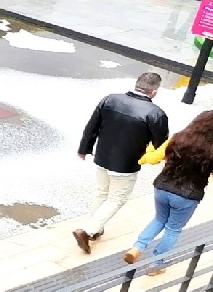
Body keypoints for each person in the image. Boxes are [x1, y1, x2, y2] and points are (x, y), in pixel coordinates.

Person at [124, 110, 213, 275]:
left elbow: (154, 158)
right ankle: (156, 264)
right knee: (173, 229)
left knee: (159, 219)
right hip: (187, 197)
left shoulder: (178, 139)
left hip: (162, 188)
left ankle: (137, 248)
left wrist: (144, 156)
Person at [73, 72, 170, 254]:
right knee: (116, 198)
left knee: (102, 193)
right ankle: (87, 231)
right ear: (154, 92)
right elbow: (161, 144)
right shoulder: (156, 114)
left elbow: (91, 126)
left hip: (102, 156)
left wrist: (84, 148)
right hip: (126, 163)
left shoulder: (110, 100)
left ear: (136, 84)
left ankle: (95, 229)